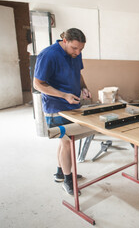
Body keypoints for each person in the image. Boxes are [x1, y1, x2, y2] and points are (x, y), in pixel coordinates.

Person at [34, 28, 91, 196]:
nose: (78, 52)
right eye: (75, 48)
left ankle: (60, 172)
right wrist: (63, 95)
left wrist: (84, 87)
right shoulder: (48, 55)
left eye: (81, 49)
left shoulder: (76, 52)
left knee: (64, 141)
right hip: (56, 107)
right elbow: (38, 84)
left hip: (72, 104)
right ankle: (68, 180)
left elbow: (78, 73)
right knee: (68, 142)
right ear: (64, 41)